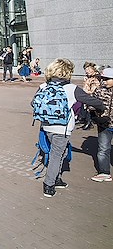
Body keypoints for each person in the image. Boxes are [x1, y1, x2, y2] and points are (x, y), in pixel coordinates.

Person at [35, 58, 104, 197]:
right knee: (56, 155)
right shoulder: (72, 88)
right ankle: (49, 184)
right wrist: (102, 108)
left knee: (62, 152)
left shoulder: (44, 86)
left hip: (46, 127)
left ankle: (56, 178)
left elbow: (33, 103)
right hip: (62, 129)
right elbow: (93, 101)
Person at [90, 67, 113, 183]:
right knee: (103, 148)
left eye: (107, 79)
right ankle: (104, 172)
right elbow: (90, 104)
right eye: (102, 79)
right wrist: (95, 115)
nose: (104, 81)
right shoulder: (99, 90)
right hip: (105, 125)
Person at [80, 62, 101, 130]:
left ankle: (89, 122)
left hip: (95, 95)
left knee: (89, 105)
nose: (87, 71)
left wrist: (87, 92)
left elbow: (94, 89)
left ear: (93, 69)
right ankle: (87, 121)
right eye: (86, 70)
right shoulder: (88, 77)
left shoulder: (97, 77)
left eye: (89, 69)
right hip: (88, 94)